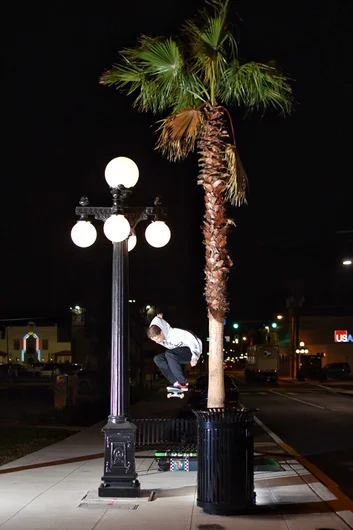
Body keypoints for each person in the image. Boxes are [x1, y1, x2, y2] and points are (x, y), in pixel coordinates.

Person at [147, 313, 202, 390]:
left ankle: (183, 383)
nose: (157, 342)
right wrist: (158, 318)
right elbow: (154, 323)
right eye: (154, 340)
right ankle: (175, 382)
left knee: (169, 353)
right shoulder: (158, 332)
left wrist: (195, 357)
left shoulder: (175, 334)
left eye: (157, 339)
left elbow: (192, 340)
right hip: (178, 354)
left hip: (191, 351)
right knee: (158, 358)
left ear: (162, 332)